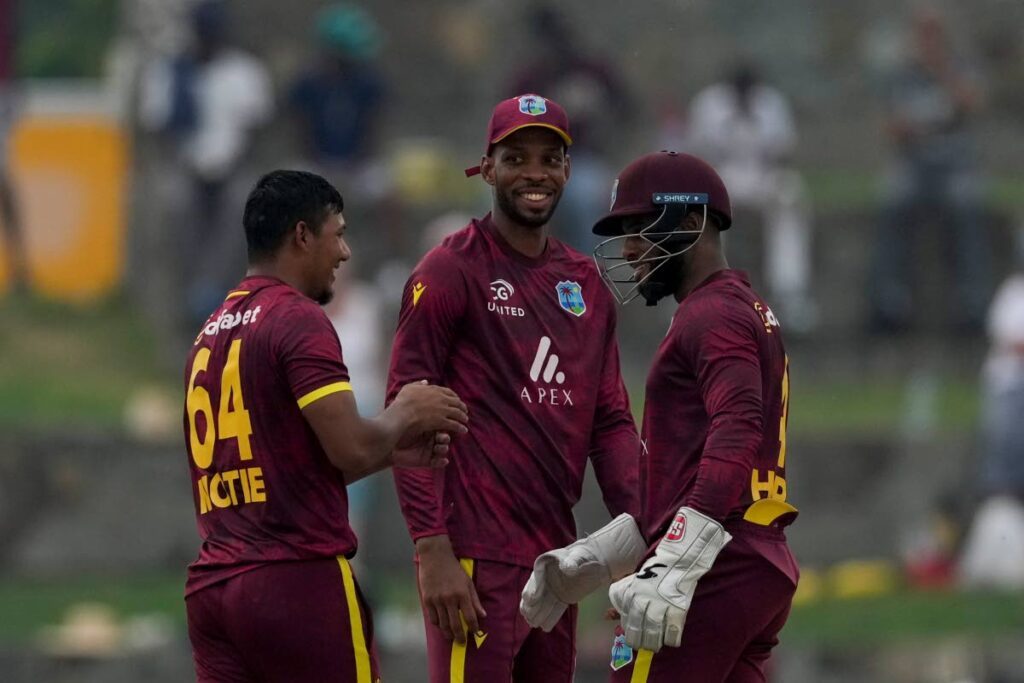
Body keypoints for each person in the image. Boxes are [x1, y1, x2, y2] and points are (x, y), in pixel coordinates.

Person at [387, 94, 640, 682]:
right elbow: (406, 411)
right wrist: (431, 549)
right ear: (489, 166)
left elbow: (610, 423)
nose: (535, 173)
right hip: (472, 557)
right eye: (517, 157)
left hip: (556, 562)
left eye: (549, 159)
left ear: (567, 171)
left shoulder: (586, 284)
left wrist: (640, 537)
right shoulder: (450, 271)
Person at [521, 151, 799, 681]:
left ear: (692, 222)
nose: (629, 249)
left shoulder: (712, 312)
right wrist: (616, 550)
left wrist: (674, 562)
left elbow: (737, 427)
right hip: (751, 558)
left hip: (722, 562)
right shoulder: (732, 307)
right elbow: (698, 461)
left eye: (639, 228)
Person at [182, 170, 469, 682]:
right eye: (337, 233)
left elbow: (276, 470)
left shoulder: (209, 333)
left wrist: (392, 452)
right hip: (295, 581)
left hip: (213, 590)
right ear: (301, 235)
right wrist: (407, 408)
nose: (345, 252)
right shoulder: (297, 317)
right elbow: (352, 450)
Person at [868, 7, 990, 333]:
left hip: (954, 165)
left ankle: (972, 303)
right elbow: (889, 127)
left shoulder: (959, 67)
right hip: (913, 164)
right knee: (893, 201)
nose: (927, 41)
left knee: (967, 204)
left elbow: (973, 102)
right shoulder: (900, 75)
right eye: (922, 34)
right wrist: (909, 125)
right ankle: (889, 301)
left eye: (933, 33)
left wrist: (943, 70)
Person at [686, 63, 816, 332]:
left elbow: (784, 154)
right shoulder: (709, 104)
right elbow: (696, 153)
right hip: (722, 176)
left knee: (790, 195)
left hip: (762, 176)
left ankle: (790, 292)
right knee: (707, 207)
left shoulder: (771, 104)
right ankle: (703, 288)